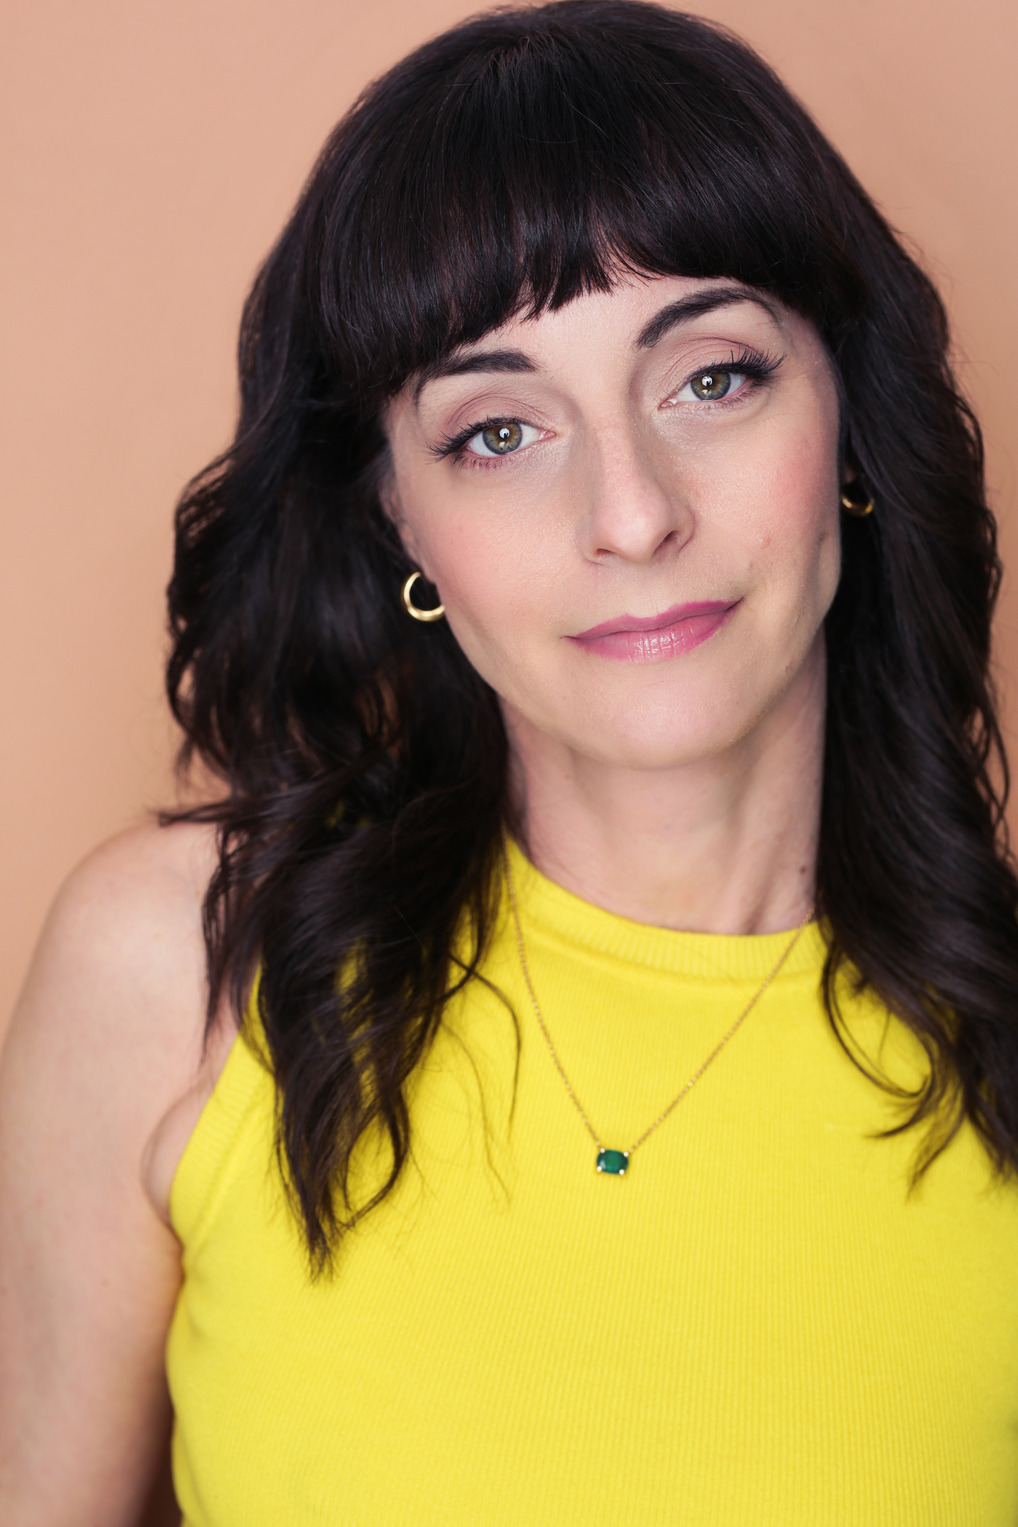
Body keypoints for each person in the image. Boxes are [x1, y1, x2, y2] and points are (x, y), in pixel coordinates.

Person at [3, 2, 1018, 1522]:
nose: (632, 515)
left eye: (712, 378)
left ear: (851, 426)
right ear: (398, 519)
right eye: (496, 432)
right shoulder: (185, 973)